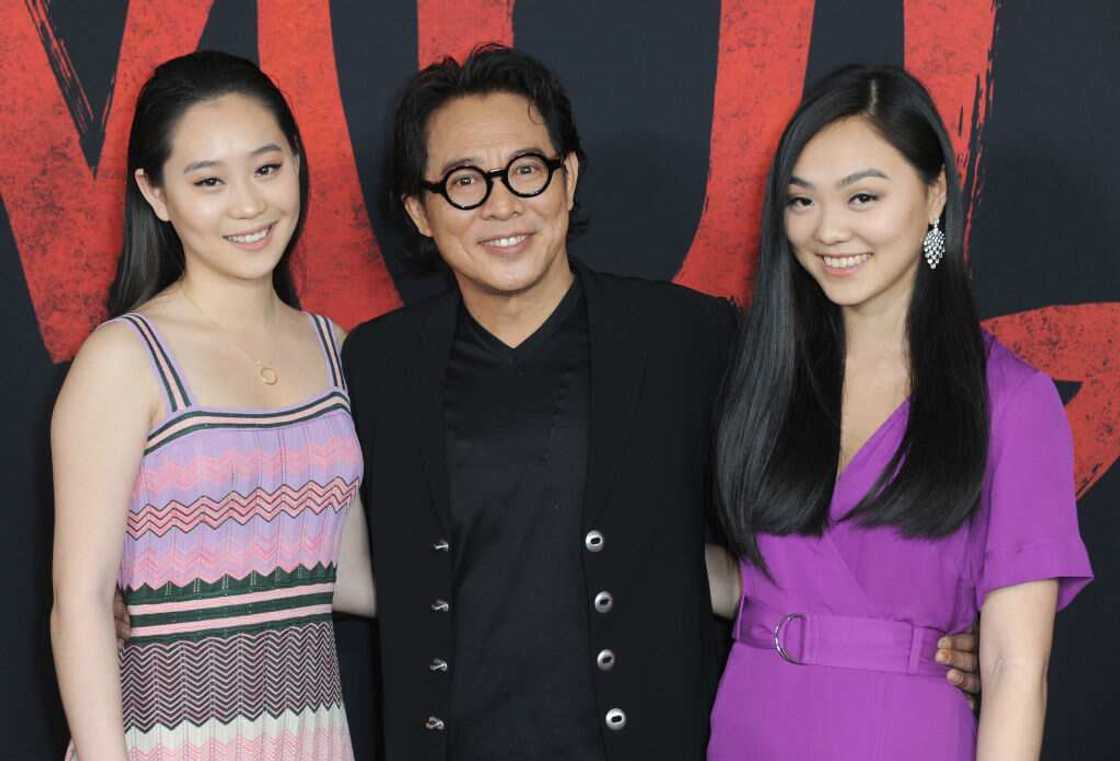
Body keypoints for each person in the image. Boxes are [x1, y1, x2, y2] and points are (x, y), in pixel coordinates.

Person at [341, 46, 979, 761]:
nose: (502, 204)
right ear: (419, 212)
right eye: (464, 181)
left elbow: (808, 527)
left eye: (527, 170)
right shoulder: (375, 364)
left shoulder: (687, 339)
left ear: (569, 177)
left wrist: (924, 630)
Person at [706, 64, 1093, 760]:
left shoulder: (1009, 400)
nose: (827, 230)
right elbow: (761, 576)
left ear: (935, 192)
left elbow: (1013, 668)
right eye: (801, 201)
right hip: (750, 723)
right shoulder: (765, 375)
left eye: (862, 197)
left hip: (900, 733)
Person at [50, 51, 374, 761]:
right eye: (208, 181)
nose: (250, 205)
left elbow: (345, 573)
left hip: (310, 738)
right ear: (156, 193)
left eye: (267, 167)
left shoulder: (337, 349)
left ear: (297, 160)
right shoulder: (125, 358)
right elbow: (80, 604)